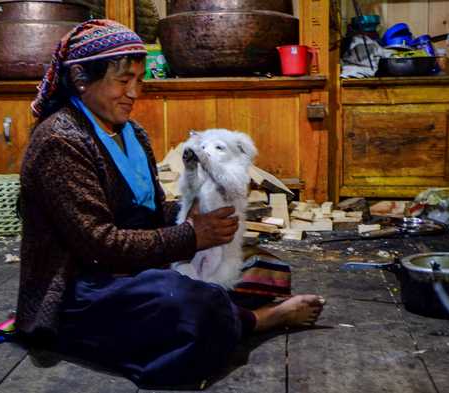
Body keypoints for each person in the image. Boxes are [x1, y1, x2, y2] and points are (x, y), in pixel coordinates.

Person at [16, 19, 325, 387]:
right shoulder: (60, 141)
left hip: (135, 267)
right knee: (191, 303)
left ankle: (230, 312)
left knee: (265, 272)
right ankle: (257, 321)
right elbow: (99, 244)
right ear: (82, 78)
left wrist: (190, 215)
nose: (134, 92)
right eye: (123, 80)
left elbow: (145, 212)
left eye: (139, 81)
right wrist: (191, 237)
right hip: (82, 289)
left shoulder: (132, 133)